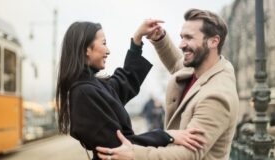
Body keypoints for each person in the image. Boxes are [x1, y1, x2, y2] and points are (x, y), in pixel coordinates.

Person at [96, 8, 239, 160]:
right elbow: (178, 64)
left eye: (189, 38)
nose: (181, 44)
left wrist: (134, 154)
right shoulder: (200, 69)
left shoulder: (217, 95)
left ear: (213, 41)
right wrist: (160, 38)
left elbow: (188, 154)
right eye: (182, 37)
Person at [56, 21, 206, 160]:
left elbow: (124, 81)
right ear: (86, 49)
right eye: (104, 43)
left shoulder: (91, 87)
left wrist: (137, 40)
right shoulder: (84, 93)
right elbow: (119, 148)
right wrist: (167, 136)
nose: (108, 50)